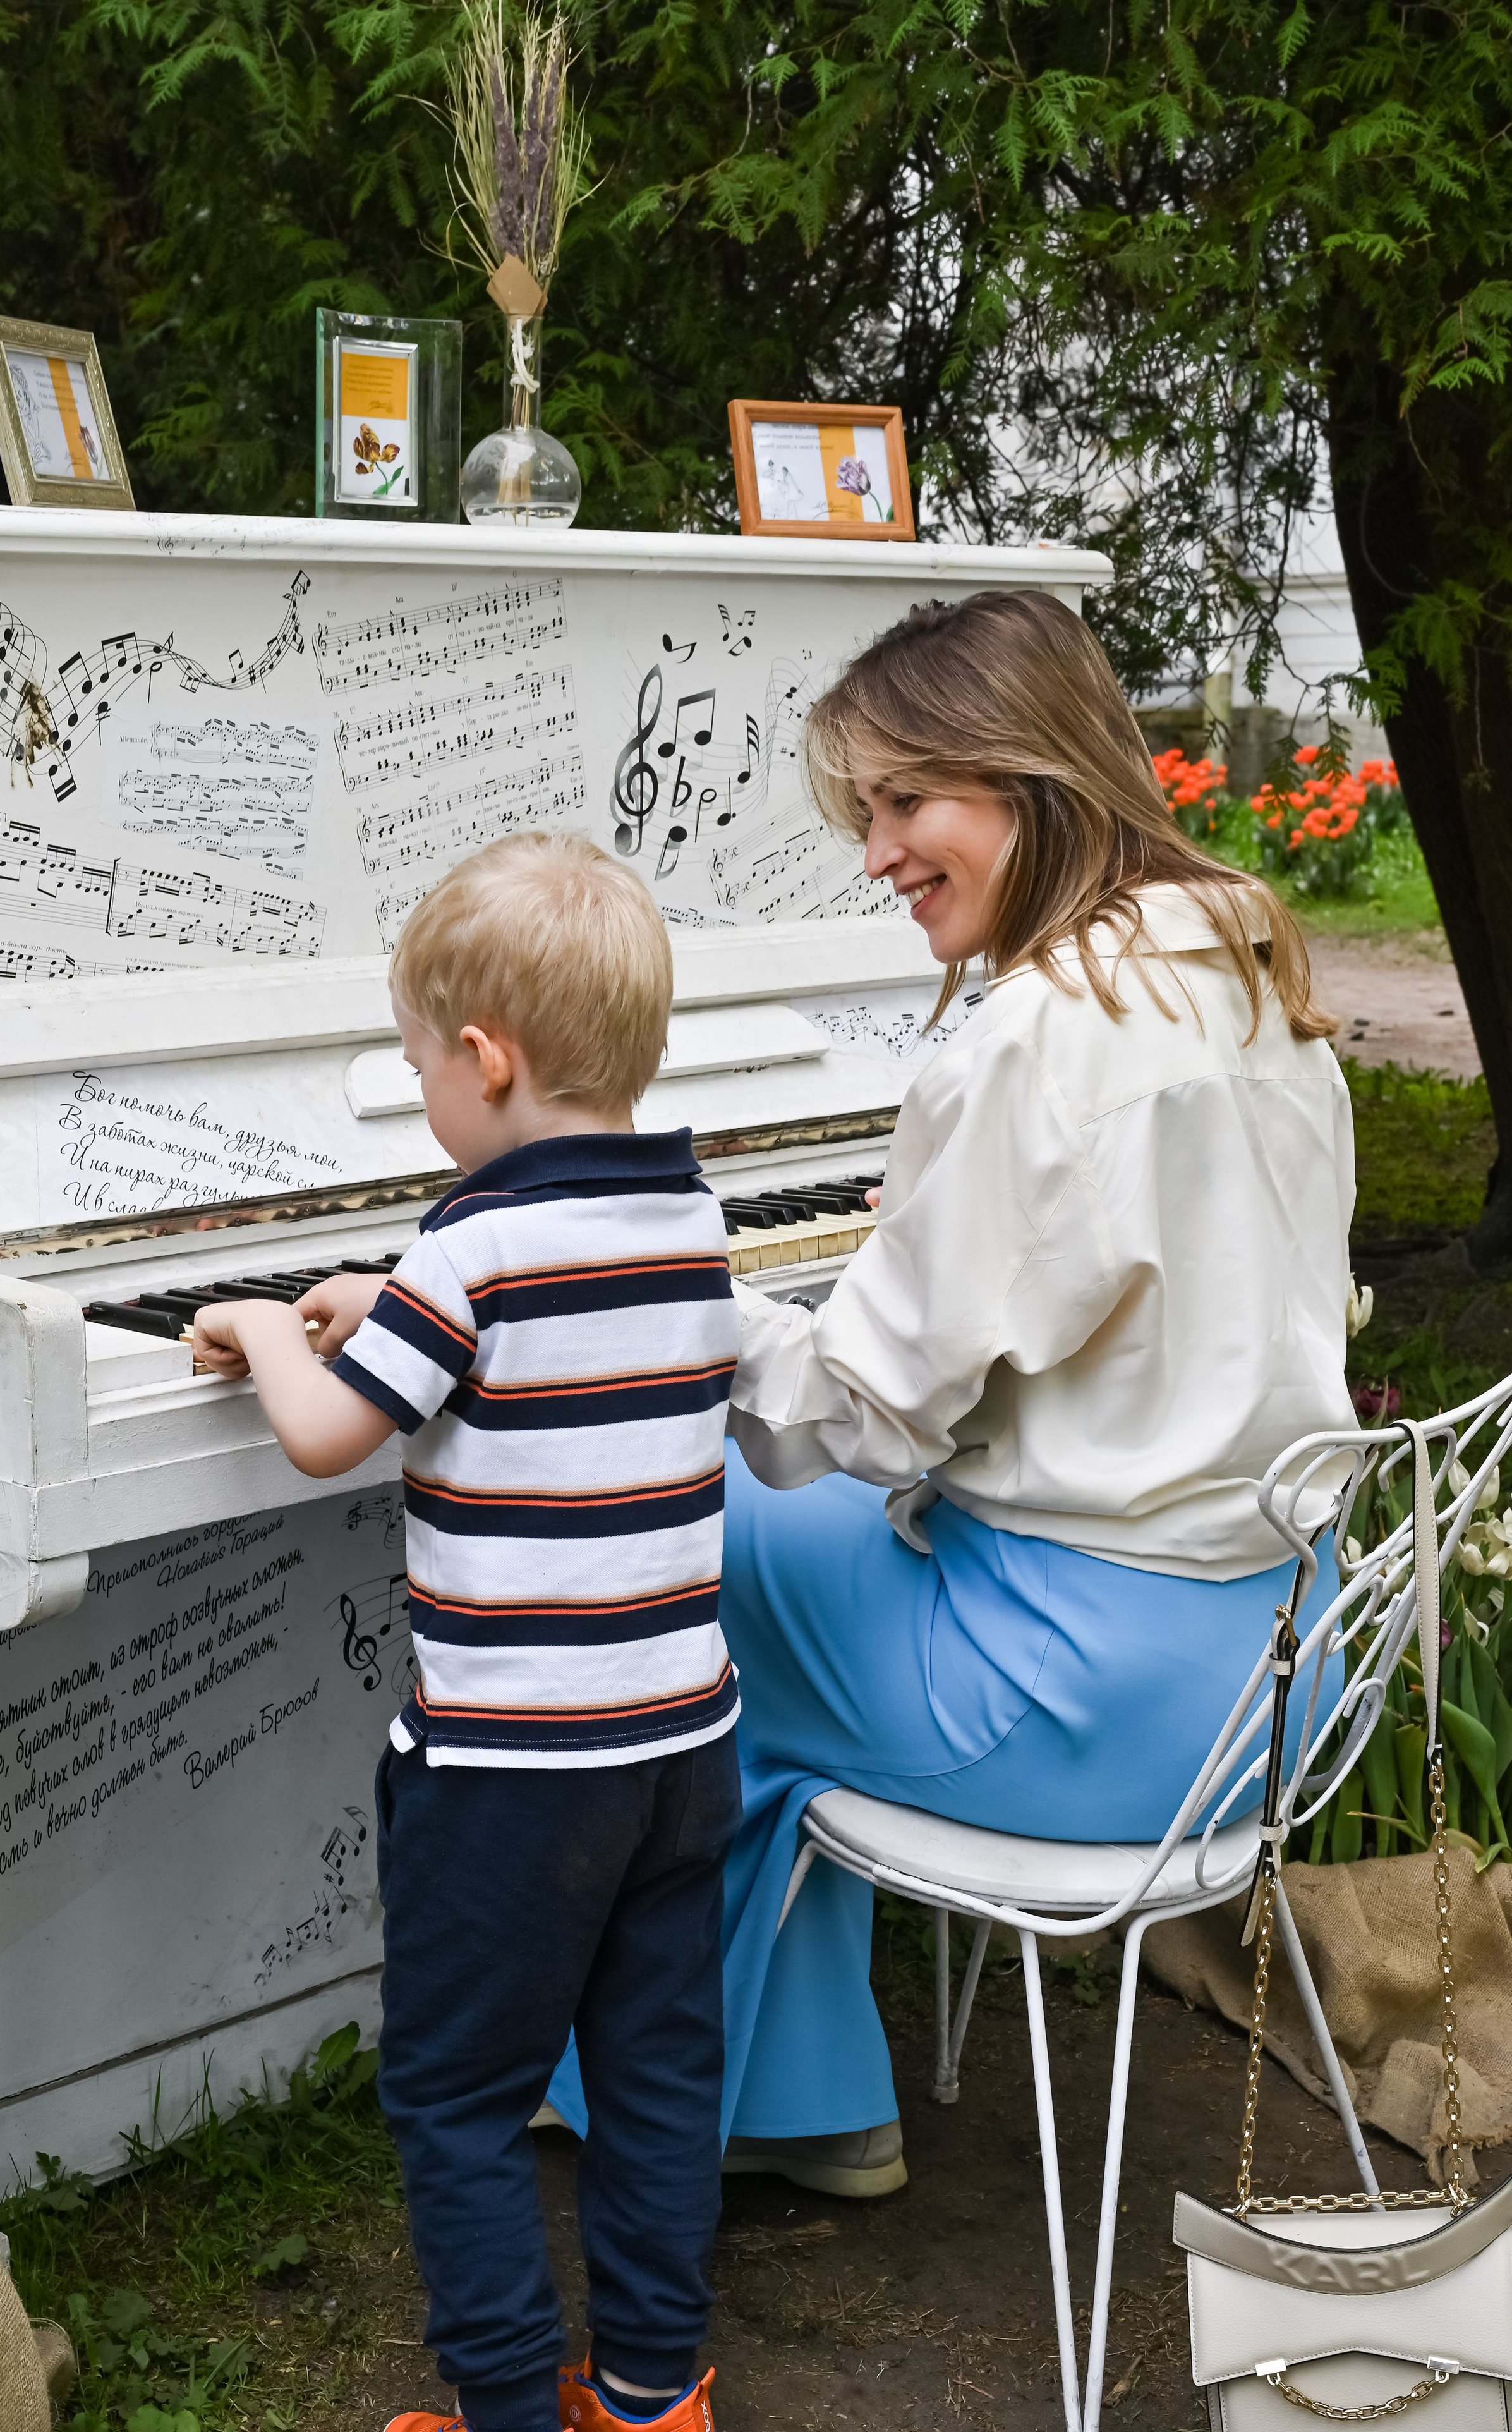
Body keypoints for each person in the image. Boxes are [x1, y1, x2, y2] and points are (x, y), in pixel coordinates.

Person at [546, 588, 1355, 2199]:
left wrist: (654, 1292)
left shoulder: (1039, 1034)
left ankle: (693, 2095)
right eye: (867, 812)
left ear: (1025, 775)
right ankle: (795, 2097)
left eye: (906, 802)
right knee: (782, 1582)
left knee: (678, 1534)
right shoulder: (1247, 963)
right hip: (1279, 1670)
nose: (875, 854)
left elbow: (859, 1413)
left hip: (1087, 1705)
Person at [191, 832, 739, 2432]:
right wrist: (397, 1303)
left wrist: (261, 1326)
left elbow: (323, 1436)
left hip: (510, 1774)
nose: (424, 1088)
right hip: (679, 1751)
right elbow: (533, 1353)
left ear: (485, 1060)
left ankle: (504, 2409)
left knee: (454, 2093)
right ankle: (649, 2397)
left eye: (421, 1062)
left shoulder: (469, 1248)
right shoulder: (688, 1219)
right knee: (653, 2079)